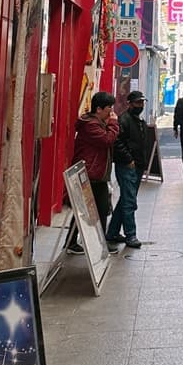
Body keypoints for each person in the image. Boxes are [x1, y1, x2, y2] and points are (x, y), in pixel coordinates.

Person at [69, 91, 119, 253]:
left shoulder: (96, 122)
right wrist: (113, 124)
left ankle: (99, 242)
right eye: (108, 109)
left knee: (100, 208)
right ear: (98, 109)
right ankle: (75, 243)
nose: (111, 112)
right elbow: (106, 140)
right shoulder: (91, 125)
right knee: (85, 209)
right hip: (89, 174)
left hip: (96, 174)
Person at [106, 91, 147, 249]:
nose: (141, 106)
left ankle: (113, 232)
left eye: (142, 103)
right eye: (137, 103)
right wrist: (128, 159)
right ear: (130, 103)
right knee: (129, 200)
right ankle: (131, 234)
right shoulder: (124, 120)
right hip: (127, 165)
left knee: (125, 199)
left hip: (136, 164)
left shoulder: (137, 120)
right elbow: (117, 143)